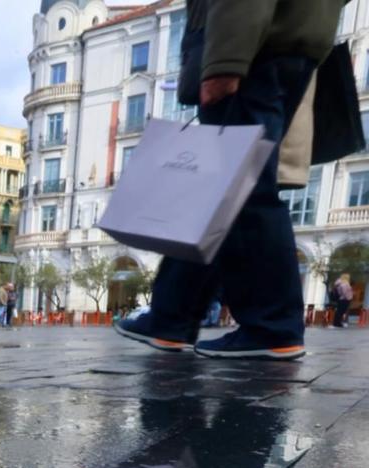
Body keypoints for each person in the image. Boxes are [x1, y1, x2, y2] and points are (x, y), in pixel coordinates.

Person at [115, 0, 347, 360]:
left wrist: (226, 61)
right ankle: (171, 317)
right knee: (221, 192)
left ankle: (273, 327)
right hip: (288, 41)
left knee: (244, 190)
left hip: (256, 44)